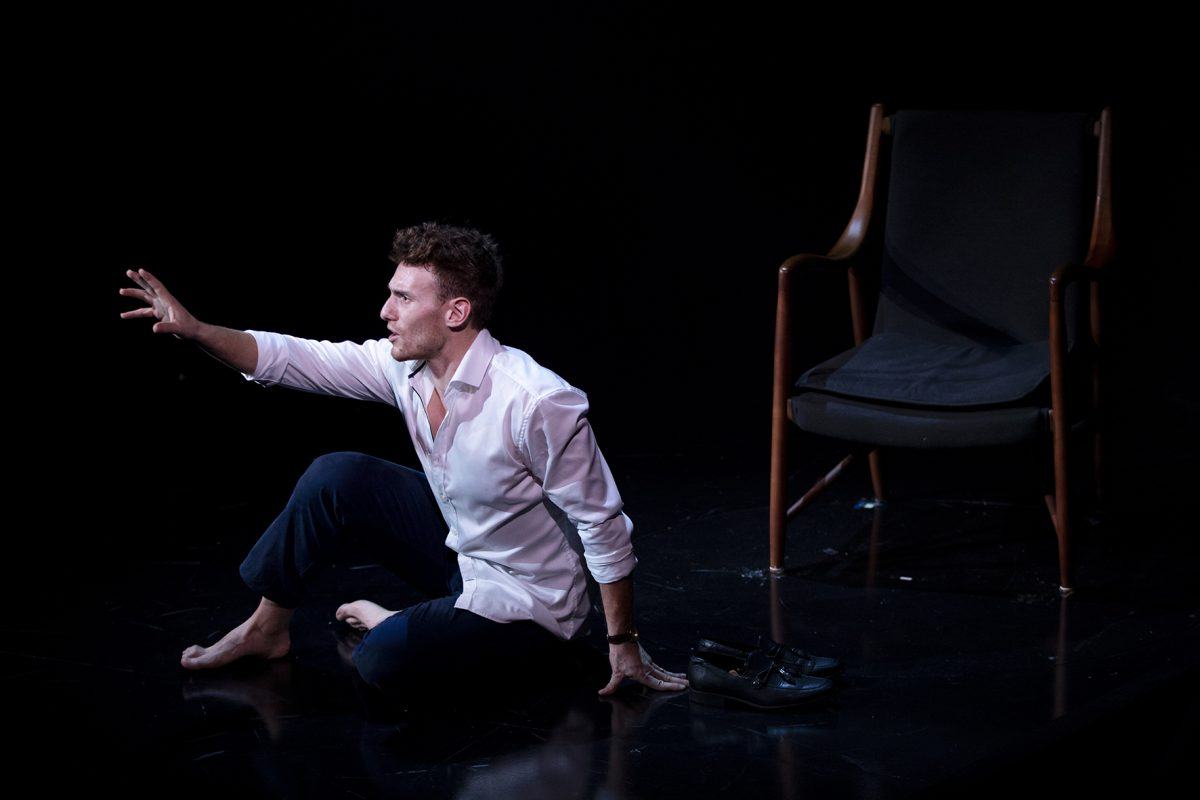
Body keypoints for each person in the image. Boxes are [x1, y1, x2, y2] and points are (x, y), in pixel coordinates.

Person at [118, 222, 689, 698]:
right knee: (335, 475)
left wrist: (622, 645)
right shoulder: (404, 368)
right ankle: (267, 630)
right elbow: (294, 357)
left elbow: (602, 524)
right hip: (460, 551)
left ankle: (395, 620)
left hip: (530, 601)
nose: (385, 310)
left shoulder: (537, 401)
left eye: (404, 297)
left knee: (382, 660)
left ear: (456, 311)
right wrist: (195, 331)